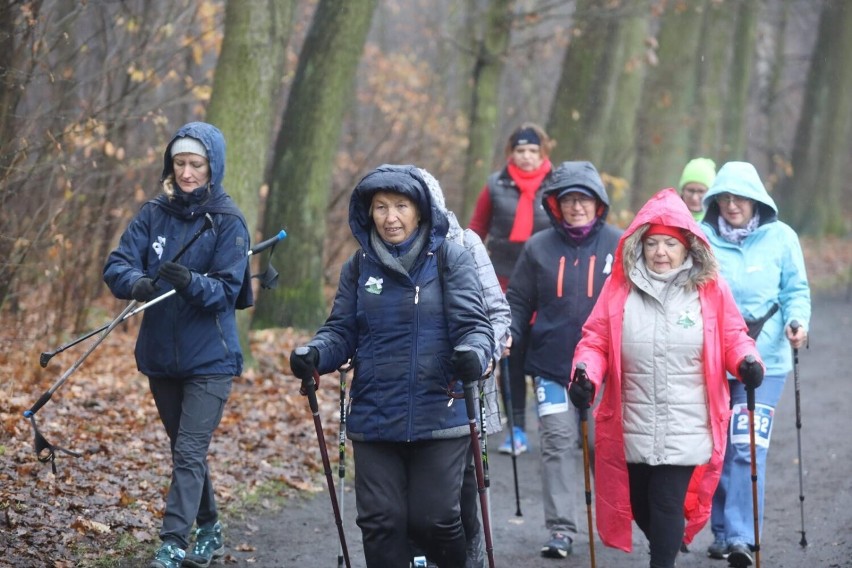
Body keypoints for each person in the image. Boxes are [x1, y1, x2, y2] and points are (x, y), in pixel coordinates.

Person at [289, 164, 493, 568]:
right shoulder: (358, 266)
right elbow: (341, 331)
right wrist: (315, 353)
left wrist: (473, 353)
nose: (390, 217)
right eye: (380, 207)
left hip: (440, 411)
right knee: (380, 522)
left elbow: (476, 326)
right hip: (376, 412)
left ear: (421, 211)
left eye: (401, 206)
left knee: (434, 518)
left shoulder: (449, 258)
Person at [567, 188, 764, 568]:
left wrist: (746, 361)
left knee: (666, 501)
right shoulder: (619, 289)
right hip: (633, 419)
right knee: (640, 503)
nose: (660, 252)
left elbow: (733, 336)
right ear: (639, 245)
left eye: (669, 245)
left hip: (688, 418)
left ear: (687, 247)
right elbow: (596, 340)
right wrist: (585, 374)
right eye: (652, 243)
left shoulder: (709, 289)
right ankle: (666, 540)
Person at [103, 122, 253, 568]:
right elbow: (118, 265)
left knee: (188, 452)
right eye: (180, 163)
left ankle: (172, 543)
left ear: (213, 167)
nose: (187, 173)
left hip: (211, 357)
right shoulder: (153, 213)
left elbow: (228, 291)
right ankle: (209, 526)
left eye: (196, 164)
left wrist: (190, 282)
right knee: (184, 451)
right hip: (162, 355)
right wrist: (141, 284)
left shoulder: (228, 221)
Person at [505, 161, 621, 559]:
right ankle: (561, 530)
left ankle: (613, 522)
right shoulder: (538, 247)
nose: (576, 207)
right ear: (555, 205)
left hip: (606, 369)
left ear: (598, 203)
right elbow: (518, 302)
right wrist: (509, 334)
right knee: (556, 440)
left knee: (598, 446)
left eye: (584, 199)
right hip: (551, 366)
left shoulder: (618, 245)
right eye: (568, 200)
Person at [701, 161, 811, 567]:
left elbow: (796, 289)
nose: (732, 205)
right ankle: (721, 531)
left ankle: (742, 538)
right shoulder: (704, 239)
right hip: (715, 359)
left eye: (740, 198)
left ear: (756, 200)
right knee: (717, 448)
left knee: (746, 447)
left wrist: (798, 323)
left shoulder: (782, 238)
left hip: (767, 362)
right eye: (725, 198)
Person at [426, 172, 512, 568]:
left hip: (462, 385)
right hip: (409, 389)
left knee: (463, 485)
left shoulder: (465, 243)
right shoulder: (379, 250)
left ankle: (471, 549)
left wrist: (484, 353)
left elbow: (497, 310)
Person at [469, 122, 555, 455]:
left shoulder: (556, 185)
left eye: (533, 151)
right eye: (521, 150)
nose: (527, 157)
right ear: (511, 153)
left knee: (545, 354)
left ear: (543, 153)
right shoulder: (495, 185)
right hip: (503, 282)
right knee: (511, 355)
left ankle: (557, 424)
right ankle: (516, 428)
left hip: (546, 284)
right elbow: (477, 228)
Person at [678, 157, 716, 222]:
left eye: (701, 191)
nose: (694, 198)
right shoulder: (668, 217)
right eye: (690, 190)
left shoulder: (720, 223)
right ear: (682, 190)